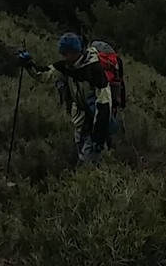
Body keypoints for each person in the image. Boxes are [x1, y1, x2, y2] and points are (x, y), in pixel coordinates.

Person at [18, 32, 115, 166]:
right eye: (62, 53)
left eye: (66, 53)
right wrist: (29, 65)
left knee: (85, 164)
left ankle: (91, 180)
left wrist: (98, 138)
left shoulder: (94, 69)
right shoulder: (66, 66)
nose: (63, 56)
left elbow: (104, 103)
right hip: (80, 121)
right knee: (87, 158)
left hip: (96, 122)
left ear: (76, 51)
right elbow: (45, 74)